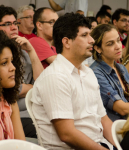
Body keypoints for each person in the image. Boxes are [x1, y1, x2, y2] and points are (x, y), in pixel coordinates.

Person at [31, 13, 115, 150]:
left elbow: (103, 119)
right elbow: (67, 134)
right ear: (67, 42)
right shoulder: (55, 76)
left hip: (99, 144)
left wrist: (120, 145)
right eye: (84, 35)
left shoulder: (87, 72)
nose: (92, 40)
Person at [0, 5, 44, 138]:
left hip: (35, 111)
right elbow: (10, 89)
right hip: (13, 114)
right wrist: (31, 87)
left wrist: (31, 51)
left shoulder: (23, 52)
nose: (14, 28)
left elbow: (42, 84)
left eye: (15, 23)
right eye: (7, 24)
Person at [90, 24, 129, 122]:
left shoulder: (121, 68)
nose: (118, 46)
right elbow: (122, 109)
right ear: (98, 48)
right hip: (114, 128)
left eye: (118, 41)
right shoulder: (95, 73)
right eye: (110, 44)